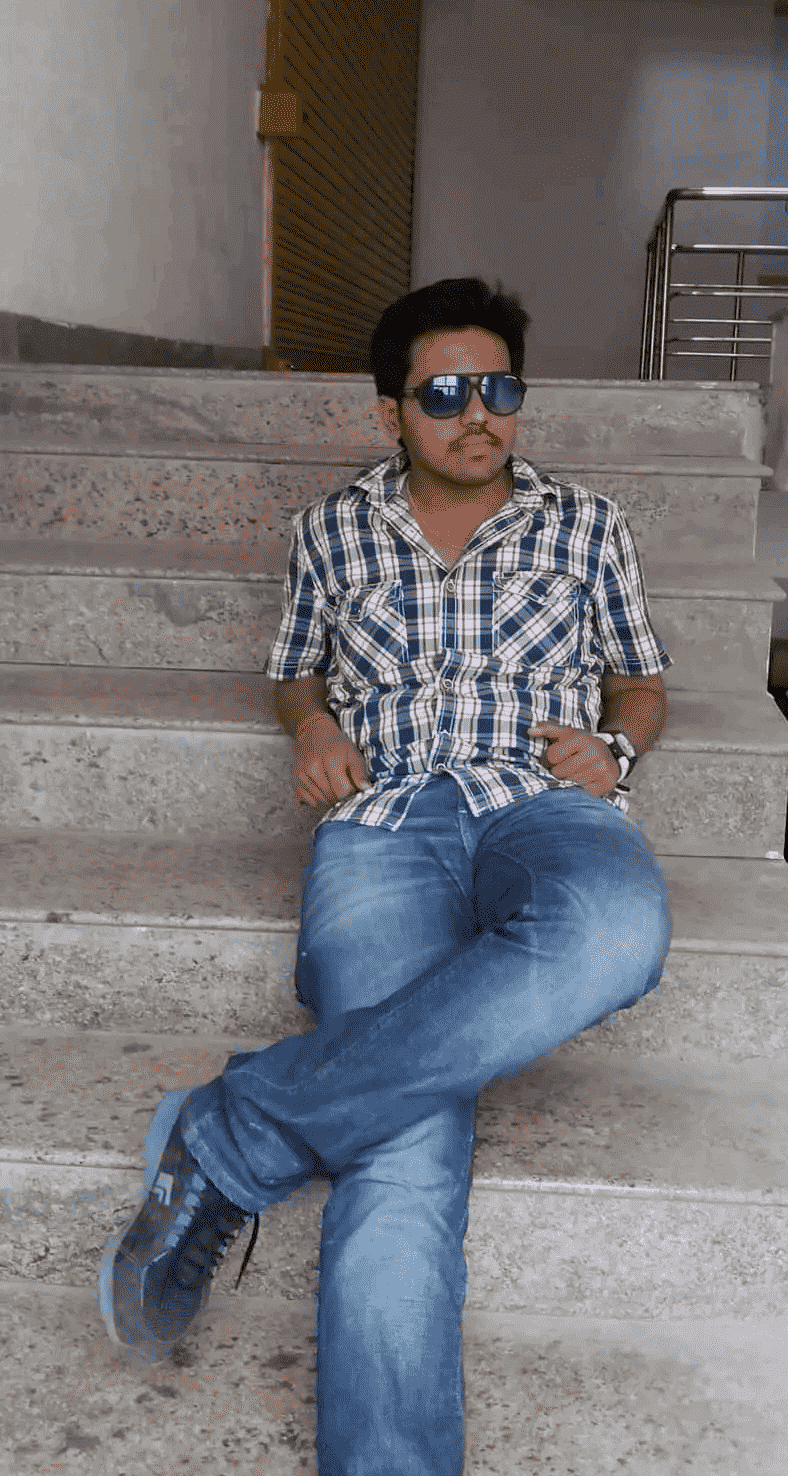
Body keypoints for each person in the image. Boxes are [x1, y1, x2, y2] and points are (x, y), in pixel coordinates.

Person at [99, 276, 673, 1475]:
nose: (479, 413)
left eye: (498, 387)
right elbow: (295, 670)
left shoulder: (588, 523)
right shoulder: (331, 529)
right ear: (391, 411)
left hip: (541, 802)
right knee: (404, 1146)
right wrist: (312, 726)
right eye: (446, 392)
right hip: (385, 819)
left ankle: (236, 1131)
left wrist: (616, 747)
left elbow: (640, 676)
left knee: (619, 927)